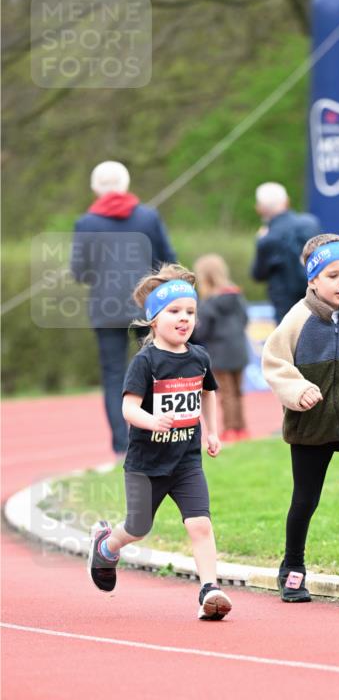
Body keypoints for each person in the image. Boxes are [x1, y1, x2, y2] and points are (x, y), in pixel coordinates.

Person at [87, 263, 232, 620]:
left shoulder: (199, 357)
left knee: (200, 524)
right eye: (174, 312)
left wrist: (212, 431)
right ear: (153, 319)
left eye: (190, 312)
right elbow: (128, 408)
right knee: (138, 527)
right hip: (145, 464)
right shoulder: (146, 361)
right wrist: (153, 421)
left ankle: (210, 589)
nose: (184, 319)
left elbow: (208, 393)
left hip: (185, 461)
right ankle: (106, 546)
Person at [262, 233, 339, 603]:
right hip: (310, 422)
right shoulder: (298, 319)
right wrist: (296, 390)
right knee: (305, 500)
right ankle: (293, 568)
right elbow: (273, 362)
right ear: (313, 280)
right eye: (333, 275)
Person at [71, 161, 177, 457]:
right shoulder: (148, 217)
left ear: (95, 188)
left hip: (106, 308)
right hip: (146, 306)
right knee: (156, 370)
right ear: (126, 183)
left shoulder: (86, 223)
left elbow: (79, 272)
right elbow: (167, 260)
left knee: (114, 376)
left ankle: (121, 446)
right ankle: (158, 436)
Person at [193, 253, 249, 443]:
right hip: (239, 349)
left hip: (219, 353)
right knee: (238, 392)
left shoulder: (208, 303)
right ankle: (242, 428)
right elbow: (245, 319)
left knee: (226, 394)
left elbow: (203, 332)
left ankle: (230, 429)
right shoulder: (236, 295)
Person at [251, 182, 320, 323]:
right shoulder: (311, 224)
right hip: (318, 302)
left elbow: (258, 274)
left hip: (286, 311)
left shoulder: (267, 238)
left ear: (260, 209)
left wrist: (260, 241)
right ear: (287, 201)